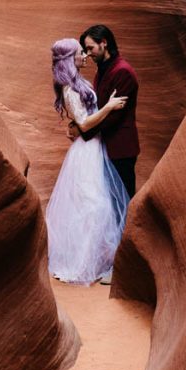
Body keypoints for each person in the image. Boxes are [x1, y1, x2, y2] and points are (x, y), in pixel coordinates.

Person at [45, 38, 130, 285]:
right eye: (80, 52)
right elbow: (83, 123)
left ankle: (93, 261)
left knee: (94, 204)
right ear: (70, 58)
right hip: (86, 151)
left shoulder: (77, 83)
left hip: (93, 147)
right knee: (91, 204)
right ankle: (82, 264)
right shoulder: (69, 88)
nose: (85, 55)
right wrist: (109, 108)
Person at [79, 24, 140, 199]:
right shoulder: (103, 69)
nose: (88, 53)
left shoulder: (123, 72)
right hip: (106, 145)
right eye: (85, 49)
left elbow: (114, 116)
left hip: (121, 148)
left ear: (104, 43)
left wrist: (83, 130)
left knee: (123, 200)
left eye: (90, 48)